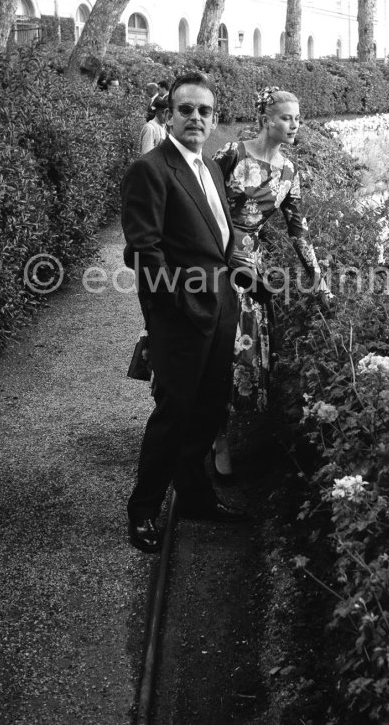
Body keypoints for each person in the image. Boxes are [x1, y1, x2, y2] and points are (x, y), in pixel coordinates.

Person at [121, 71, 244, 554]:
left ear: (215, 119)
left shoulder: (211, 167)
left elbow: (217, 240)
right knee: (173, 415)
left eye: (204, 111)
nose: (196, 117)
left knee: (210, 408)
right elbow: (143, 252)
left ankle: (193, 497)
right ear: (169, 114)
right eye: (186, 109)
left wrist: (241, 276)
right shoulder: (151, 170)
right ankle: (143, 511)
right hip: (180, 316)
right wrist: (181, 306)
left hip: (221, 308)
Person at [211, 86, 331, 480]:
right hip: (211, 261)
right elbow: (202, 203)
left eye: (297, 117)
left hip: (251, 271)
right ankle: (203, 430)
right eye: (286, 117)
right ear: (266, 119)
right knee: (207, 348)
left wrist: (320, 280)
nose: (294, 124)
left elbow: (300, 232)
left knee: (236, 355)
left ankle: (220, 435)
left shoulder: (289, 171)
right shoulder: (231, 154)